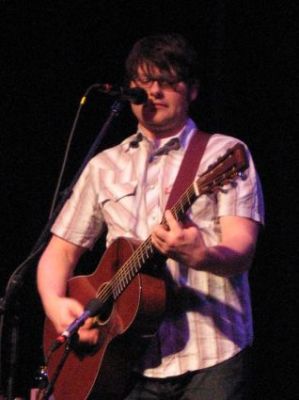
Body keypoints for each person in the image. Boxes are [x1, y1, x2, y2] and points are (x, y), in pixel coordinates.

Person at [37, 33, 264, 400]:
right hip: (125, 360)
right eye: (144, 81)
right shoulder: (104, 166)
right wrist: (58, 306)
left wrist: (202, 255)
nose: (154, 91)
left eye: (167, 80)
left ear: (191, 90)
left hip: (212, 357)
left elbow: (242, 249)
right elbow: (60, 252)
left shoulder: (223, 155)